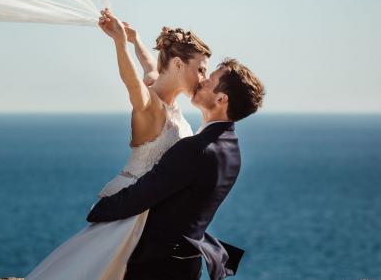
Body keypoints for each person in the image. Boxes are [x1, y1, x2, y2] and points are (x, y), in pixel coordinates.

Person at [26, 8, 212, 280]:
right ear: (178, 65)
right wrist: (120, 42)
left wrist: (136, 42)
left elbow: (149, 67)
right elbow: (132, 83)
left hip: (151, 210)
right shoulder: (149, 107)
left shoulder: (161, 92)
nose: (204, 79)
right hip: (132, 214)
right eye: (201, 69)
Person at [87, 58, 265, 280]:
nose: (202, 81)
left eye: (210, 80)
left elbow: (141, 195)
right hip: (188, 266)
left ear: (221, 98)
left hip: (157, 268)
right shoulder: (233, 150)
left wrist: (99, 210)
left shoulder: (196, 149)